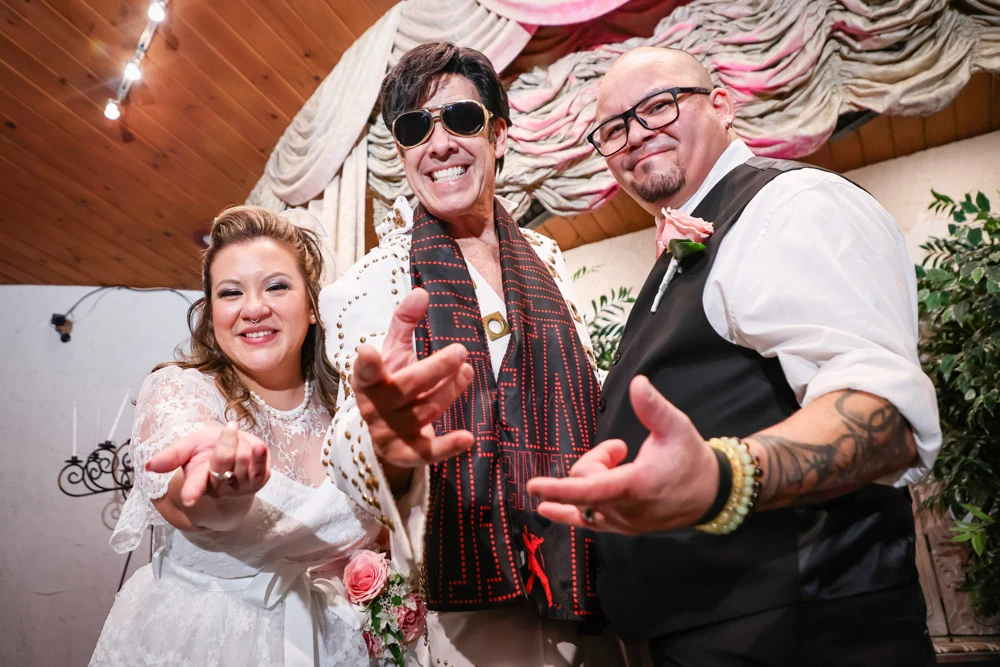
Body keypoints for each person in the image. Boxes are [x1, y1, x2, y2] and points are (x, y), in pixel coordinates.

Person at [527, 47, 942, 666]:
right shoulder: (689, 248)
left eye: (659, 105)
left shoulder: (791, 206)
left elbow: (884, 415)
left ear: (722, 104)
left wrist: (724, 479)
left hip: (804, 634)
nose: (637, 134)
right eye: (614, 128)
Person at [319, 43, 630, 666]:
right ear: (402, 153)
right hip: (471, 616)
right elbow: (353, 439)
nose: (438, 144)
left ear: (499, 135)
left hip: (587, 578)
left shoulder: (545, 259)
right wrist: (383, 441)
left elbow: (582, 391)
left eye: (460, 119)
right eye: (414, 128)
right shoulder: (370, 282)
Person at [90, 206, 379, 667]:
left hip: (330, 640)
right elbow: (191, 501)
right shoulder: (180, 390)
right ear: (212, 313)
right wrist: (219, 494)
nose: (253, 308)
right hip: (204, 640)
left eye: (277, 286)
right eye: (230, 293)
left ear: (311, 306)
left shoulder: (349, 407)